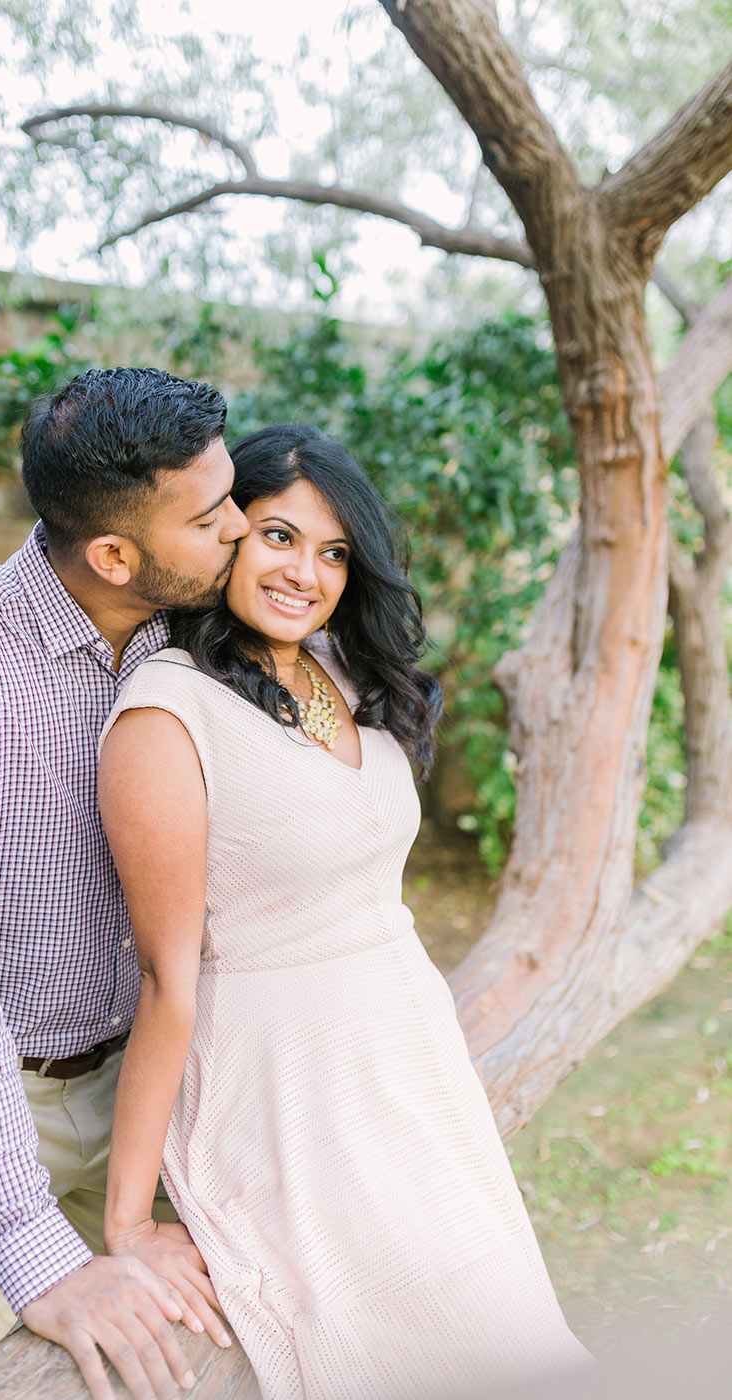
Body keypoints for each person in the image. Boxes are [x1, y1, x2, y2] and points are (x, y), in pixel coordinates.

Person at [97, 423, 593, 1400]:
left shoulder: (334, 669)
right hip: (284, 1085)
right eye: (280, 535)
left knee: (501, 1317)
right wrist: (126, 1219)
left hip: (409, 1062)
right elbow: (165, 975)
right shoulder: (167, 712)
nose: (307, 572)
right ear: (226, 533)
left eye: (333, 552)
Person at [0, 367, 247, 1400]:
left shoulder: (197, 631)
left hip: (144, 1087)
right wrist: (30, 1245)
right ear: (115, 553)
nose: (240, 527)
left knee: (165, 1358)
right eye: (210, 515)